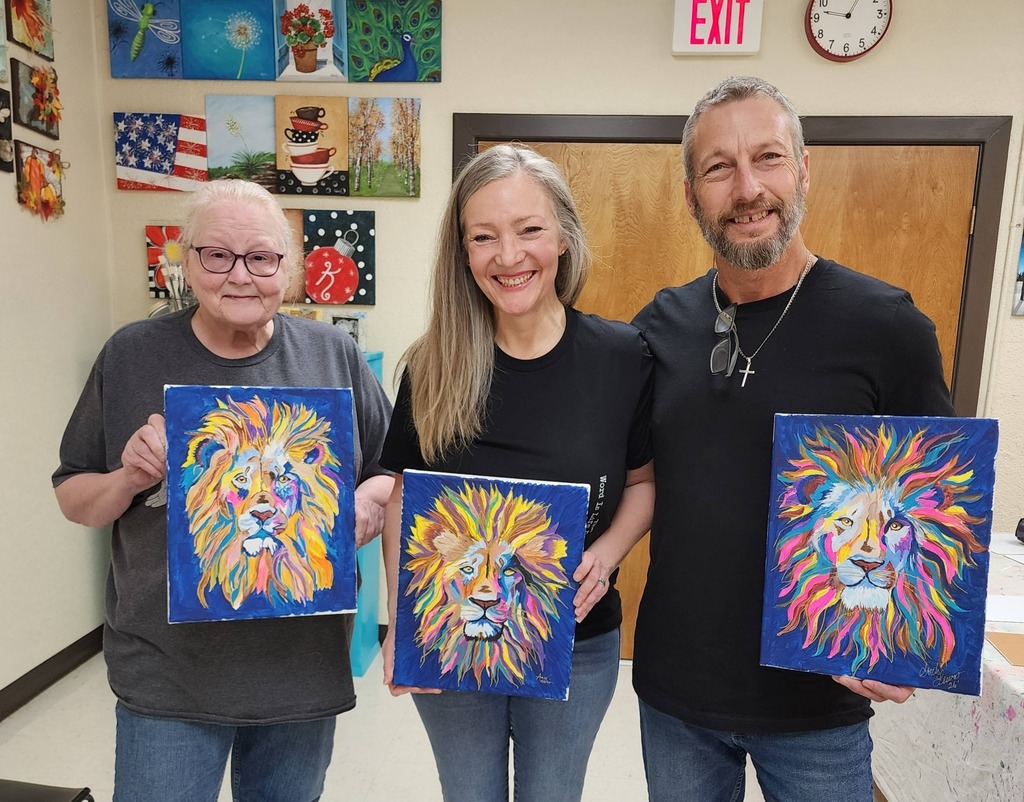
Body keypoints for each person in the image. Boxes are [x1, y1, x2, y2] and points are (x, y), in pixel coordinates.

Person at [631, 76, 955, 802]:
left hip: (819, 704)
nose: (747, 188)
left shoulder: (888, 329)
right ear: (691, 194)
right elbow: (627, 475)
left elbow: (937, 506)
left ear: (804, 170)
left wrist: (911, 645)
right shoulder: (658, 328)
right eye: (719, 167)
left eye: (768, 158)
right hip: (677, 696)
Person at [52, 179, 394, 801]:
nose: (240, 276)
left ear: (288, 270)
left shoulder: (333, 354)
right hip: (168, 674)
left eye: (262, 258)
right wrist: (130, 477)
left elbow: (393, 468)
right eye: (217, 255)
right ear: (186, 262)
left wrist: (370, 497)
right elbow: (73, 497)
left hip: (301, 670)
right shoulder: (131, 353)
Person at [379, 143, 655, 802]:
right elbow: (401, 501)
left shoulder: (622, 358)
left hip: (575, 640)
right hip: (451, 640)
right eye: (484, 237)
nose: (508, 256)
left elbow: (644, 483)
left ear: (562, 236)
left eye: (529, 229)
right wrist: (401, 625)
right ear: (463, 253)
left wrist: (608, 554)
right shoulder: (432, 366)